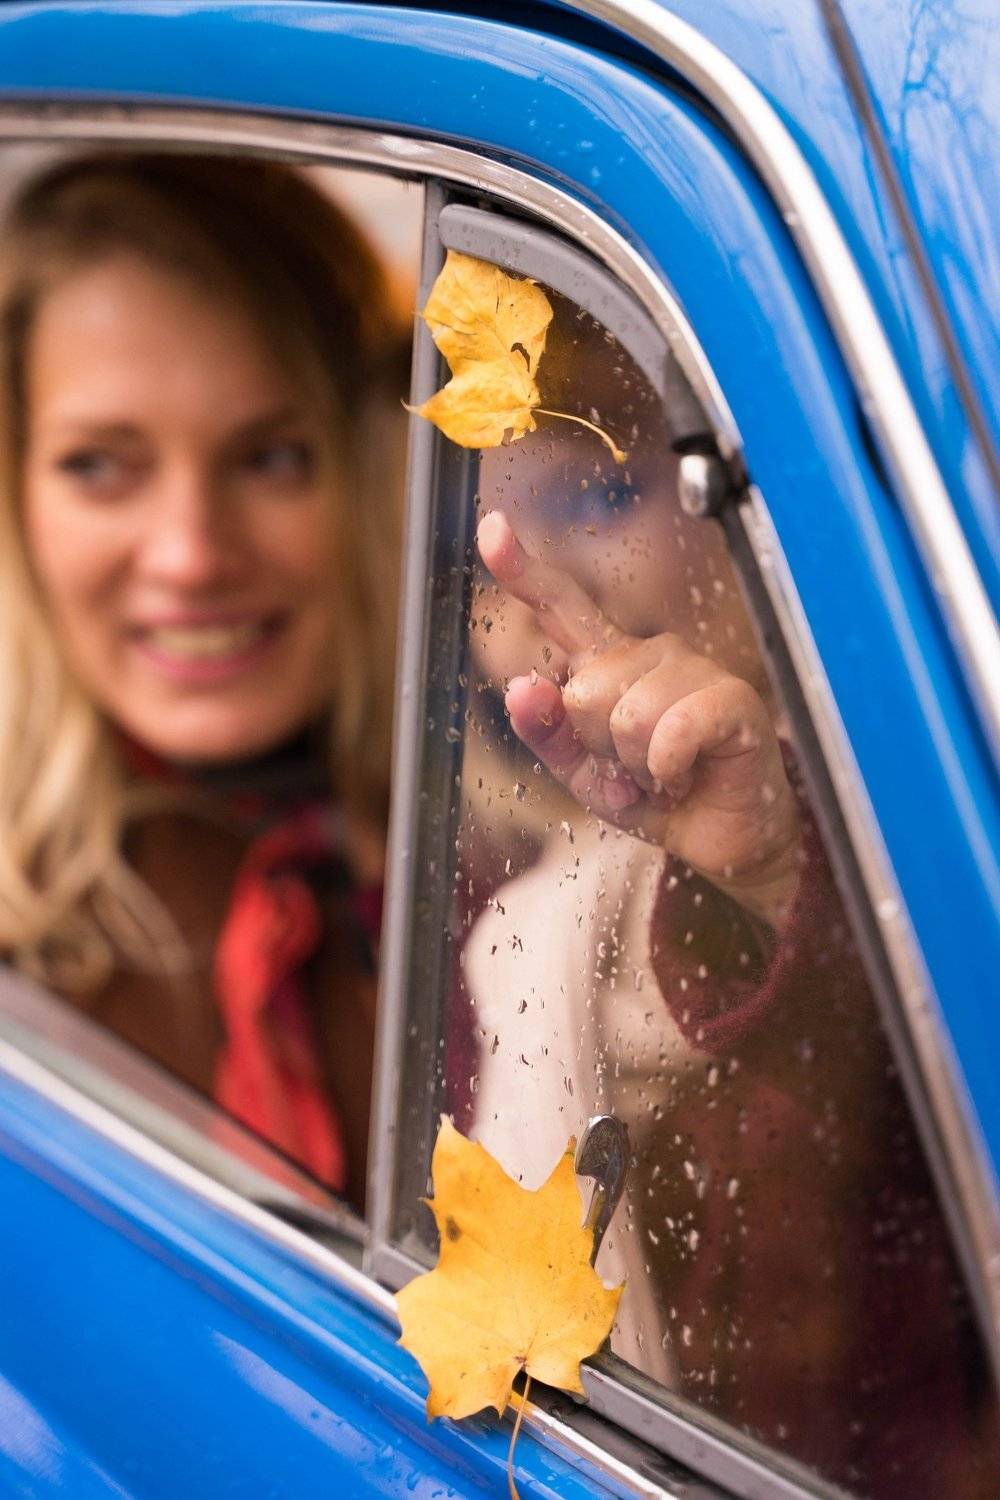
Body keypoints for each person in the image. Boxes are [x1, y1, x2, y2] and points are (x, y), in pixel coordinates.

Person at [0, 151, 408, 1211]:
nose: (190, 555)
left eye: (272, 458)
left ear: (377, 475)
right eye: (99, 465)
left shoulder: (513, 854)